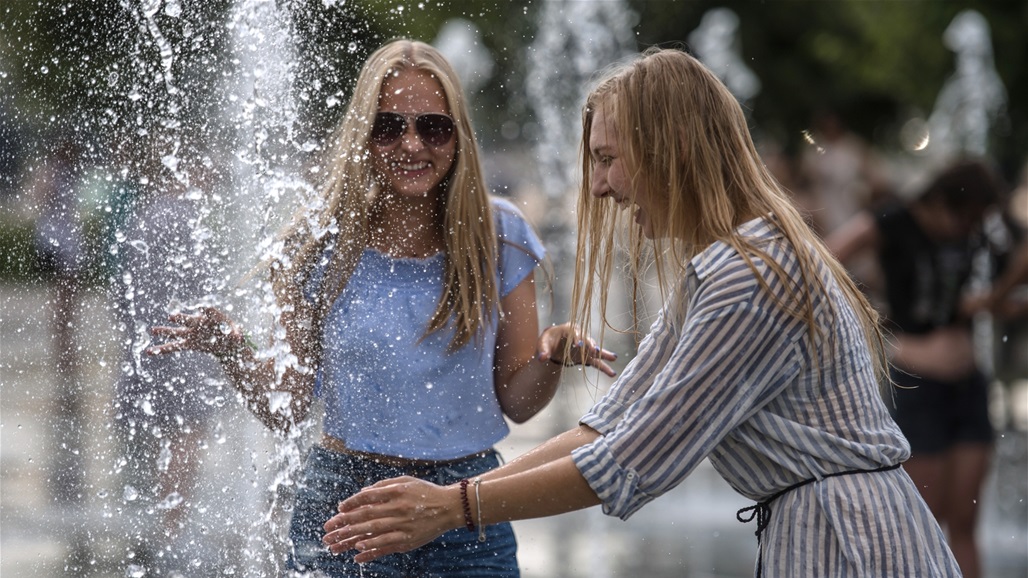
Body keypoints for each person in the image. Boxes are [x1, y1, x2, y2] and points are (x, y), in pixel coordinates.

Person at [322, 47, 961, 577]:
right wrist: (448, 498)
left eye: (607, 158)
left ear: (673, 145)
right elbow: (604, 427)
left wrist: (453, 507)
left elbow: (627, 463)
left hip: (852, 545)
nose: (598, 187)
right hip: (829, 534)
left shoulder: (747, 279)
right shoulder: (720, 271)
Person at [148, 39, 615, 577]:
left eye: (432, 127)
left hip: (467, 503)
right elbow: (289, 407)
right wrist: (232, 350)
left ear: (458, 137)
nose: (411, 145)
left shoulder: (500, 235)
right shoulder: (320, 244)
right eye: (389, 126)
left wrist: (552, 356)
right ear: (363, 135)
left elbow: (518, 400)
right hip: (347, 505)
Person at [828, 158, 1008, 578]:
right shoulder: (894, 220)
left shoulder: (977, 232)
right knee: (920, 523)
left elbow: (1000, 282)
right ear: (941, 201)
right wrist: (892, 345)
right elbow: (822, 265)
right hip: (916, 388)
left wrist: (992, 302)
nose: (969, 231)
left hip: (967, 387)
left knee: (964, 522)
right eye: (964, 220)